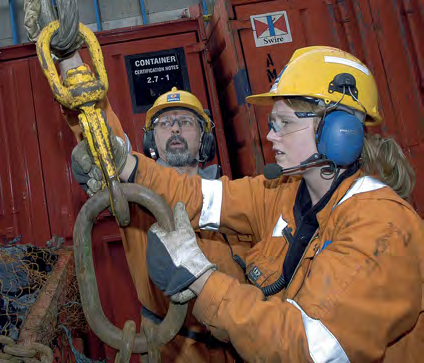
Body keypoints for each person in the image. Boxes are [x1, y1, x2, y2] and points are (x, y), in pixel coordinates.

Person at [73, 46, 423, 362]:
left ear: (338, 132)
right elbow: (201, 197)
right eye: (272, 123)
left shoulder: (383, 228)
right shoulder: (283, 193)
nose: (270, 135)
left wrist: (200, 277)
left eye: (283, 123)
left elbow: (310, 350)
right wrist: (126, 164)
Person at [62, 53, 250, 362]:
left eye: (186, 122)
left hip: (243, 344)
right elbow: (98, 125)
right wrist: (68, 54)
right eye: (165, 123)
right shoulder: (136, 197)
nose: (175, 129)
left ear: (204, 139)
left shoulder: (232, 196)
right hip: (174, 350)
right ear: (152, 139)